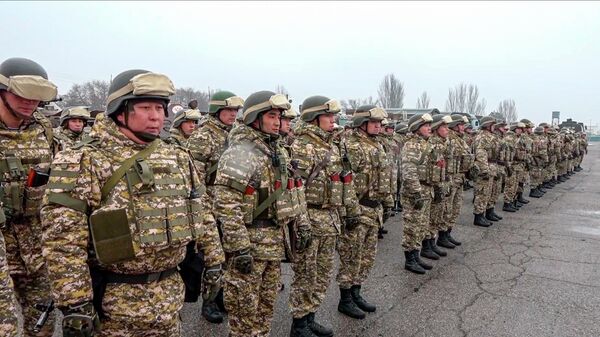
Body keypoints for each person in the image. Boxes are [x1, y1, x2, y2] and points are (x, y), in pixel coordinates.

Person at [41, 69, 224, 336]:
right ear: (119, 110)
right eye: (145, 107)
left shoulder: (178, 157)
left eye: (161, 108)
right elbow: (63, 240)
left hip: (170, 298)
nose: (156, 116)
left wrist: (214, 261)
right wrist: (75, 303)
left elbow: (202, 212)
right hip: (114, 307)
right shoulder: (84, 160)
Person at [212, 90, 310, 337]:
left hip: (274, 243)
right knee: (244, 313)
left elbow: (292, 193)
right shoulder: (241, 152)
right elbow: (226, 203)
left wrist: (301, 224)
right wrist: (239, 248)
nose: (278, 121)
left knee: (265, 309)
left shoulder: (276, 150)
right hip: (250, 245)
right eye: (271, 115)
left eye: (279, 116)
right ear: (256, 118)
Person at [289, 95, 360, 336]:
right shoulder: (302, 146)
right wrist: (302, 223)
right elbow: (294, 189)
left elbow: (344, 180)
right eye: (329, 115)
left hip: (330, 218)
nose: (334, 119)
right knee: (306, 274)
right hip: (310, 217)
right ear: (314, 117)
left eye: (334, 115)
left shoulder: (331, 144)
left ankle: (310, 317)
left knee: (322, 273)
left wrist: (351, 210)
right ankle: (299, 324)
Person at [0, 57, 58, 337]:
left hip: (36, 248)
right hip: (3, 246)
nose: (30, 102)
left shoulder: (44, 129)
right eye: (22, 94)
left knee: (43, 321)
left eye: (37, 97)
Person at [185, 90, 244, 323]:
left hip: (230, 205)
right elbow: (193, 178)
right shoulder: (203, 137)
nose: (233, 114)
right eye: (229, 110)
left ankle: (221, 296)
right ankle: (208, 302)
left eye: (235, 111)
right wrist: (204, 208)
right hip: (209, 204)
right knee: (213, 258)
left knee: (229, 255)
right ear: (217, 111)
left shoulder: (236, 135)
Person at [336, 105, 391, 316]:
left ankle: (356, 292)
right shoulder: (351, 145)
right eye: (374, 123)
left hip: (373, 208)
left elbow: (383, 177)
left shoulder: (377, 145)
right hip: (358, 207)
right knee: (351, 256)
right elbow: (346, 180)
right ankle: (345, 298)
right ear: (362, 124)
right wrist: (349, 211)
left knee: (366, 257)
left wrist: (386, 203)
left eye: (379, 123)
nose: (378, 127)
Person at [401, 113, 434, 274]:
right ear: (416, 128)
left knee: (421, 226)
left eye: (429, 125)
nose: (429, 128)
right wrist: (416, 192)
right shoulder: (412, 145)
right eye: (426, 125)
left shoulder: (424, 144)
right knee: (412, 227)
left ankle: (416, 255)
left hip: (425, 190)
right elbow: (409, 171)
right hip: (415, 192)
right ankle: (410, 260)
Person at [422, 114, 453, 261]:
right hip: (434, 184)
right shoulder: (433, 144)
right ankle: (427, 245)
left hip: (442, 182)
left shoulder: (443, 142)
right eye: (444, 127)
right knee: (431, 215)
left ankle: (432, 242)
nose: (447, 129)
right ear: (436, 128)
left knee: (438, 215)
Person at [439, 114, 473, 248]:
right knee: (447, 208)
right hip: (451, 178)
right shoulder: (449, 139)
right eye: (460, 124)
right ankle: (442, 236)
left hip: (459, 177)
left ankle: (448, 233)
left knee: (455, 208)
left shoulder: (460, 139)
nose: (463, 127)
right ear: (454, 125)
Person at [472, 116, 498, 227]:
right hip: (484, 168)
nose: (494, 127)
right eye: (492, 125)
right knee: (482, 193)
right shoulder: (482, 137)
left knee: (488, 193)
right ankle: (478, 216)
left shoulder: (489, 136)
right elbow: (481, 154)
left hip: (490, 166)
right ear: (487, 125)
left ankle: (485, 213)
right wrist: (485, 170)